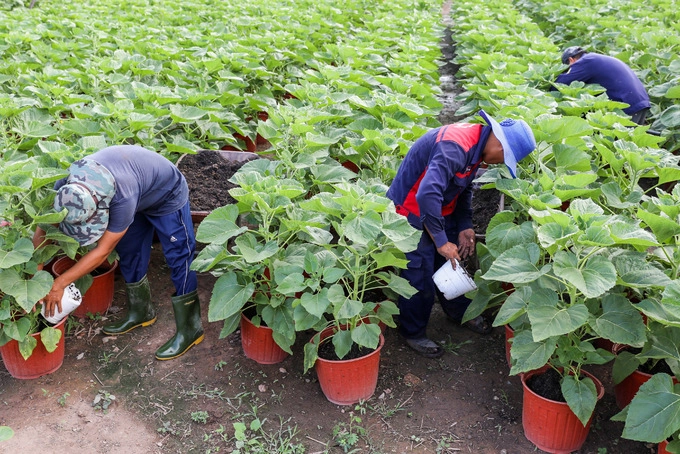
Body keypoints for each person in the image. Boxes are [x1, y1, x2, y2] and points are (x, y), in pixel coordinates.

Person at [386, 110, 536, 358]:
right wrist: (441, 241)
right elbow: (426, 195)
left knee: (450, 263)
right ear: (498, 142)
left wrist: (465, 224)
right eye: (505, 157)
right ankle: (413, 332)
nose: (500, 162)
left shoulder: (478, 146)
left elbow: (463, 187)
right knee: (419, 273)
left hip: (439, 208)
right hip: (409, 210)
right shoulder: (455, 146)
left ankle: (459, 312)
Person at [33, 145, 204, 361]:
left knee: (179, 256)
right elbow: (42, 230)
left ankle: (191, 329)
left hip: (165, 194)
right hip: (138, 190)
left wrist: (59, 284)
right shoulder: (66, 187)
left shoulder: (122, 197)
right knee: (130, 250)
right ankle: (141, 312)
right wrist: (36, 279)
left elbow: (102, 251)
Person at [556, 46, 651, 125]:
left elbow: (561, 84)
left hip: (628, 105)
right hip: (640, 100)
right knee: (632, 142)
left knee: (620, 142)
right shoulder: (595, 58)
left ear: (571, 60)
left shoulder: (585, 62)